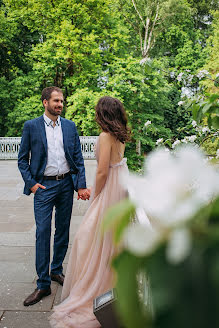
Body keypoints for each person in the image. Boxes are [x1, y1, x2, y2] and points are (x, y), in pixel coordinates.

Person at [50, 96, 130, 328]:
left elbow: (103, 171)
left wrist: (96, 195)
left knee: (88, 237)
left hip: (109, 190)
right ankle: (110, 284)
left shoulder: (106, 136)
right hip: (120, 187)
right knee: (109, 239)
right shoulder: (120, 135)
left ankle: (96, 287)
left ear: (102, 113)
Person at [18, 86, 90, 307]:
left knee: (62, 230)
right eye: (56, 101)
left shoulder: (69, 126)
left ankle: (56, 270)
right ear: (45, 103)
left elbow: (77, 157)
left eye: (62, 101)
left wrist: (80, 186)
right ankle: (42, 284)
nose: (60, 104)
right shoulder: (31, 126)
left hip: (66, 185)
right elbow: (22, 159)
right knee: (42, 232)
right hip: (44, 187)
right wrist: (32, 185)